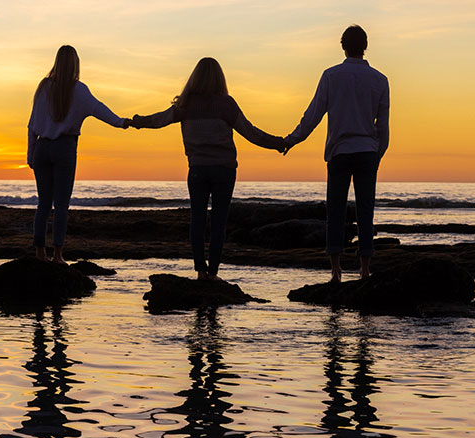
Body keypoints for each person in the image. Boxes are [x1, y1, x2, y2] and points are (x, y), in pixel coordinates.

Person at [130, 57, 285, 280]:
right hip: (224, 169)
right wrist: (279, 143)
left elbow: (158, 120)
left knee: (198, 219)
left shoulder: (186, 105)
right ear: (219, 78)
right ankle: (213, 273)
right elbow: (251, 133)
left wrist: (136, 121)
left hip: (198, 169)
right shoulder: (226, 104)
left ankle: (200, 271)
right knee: (219, 222)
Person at [282, 25, 389, 282]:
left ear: (343, 46)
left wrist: (292, 140)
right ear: (365, 46)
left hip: (340, 151)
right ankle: (364, 269)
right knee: (366, 210)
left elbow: (314, 114)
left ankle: (336, 271)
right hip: (366, 150)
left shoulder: (331, 76)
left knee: (336, 211)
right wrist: (378, 154)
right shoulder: (380, 79)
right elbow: (382, 126)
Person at [27, 44, 130, 264]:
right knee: (61, 205)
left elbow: (32, 124)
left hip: (42, 148)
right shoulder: (79, 90)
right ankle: (57, 255)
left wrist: (30, 152)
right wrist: (121, 122)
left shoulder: (44, 86)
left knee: (43, 204)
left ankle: (39, 253)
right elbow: (99, 109)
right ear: (75, 64)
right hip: (64, 147)